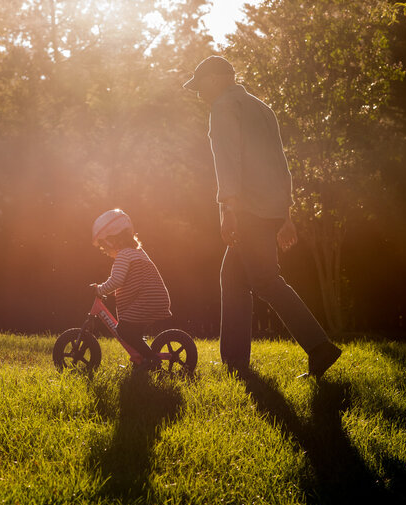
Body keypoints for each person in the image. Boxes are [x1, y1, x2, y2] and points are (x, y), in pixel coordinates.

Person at [183, 55, 342, 378]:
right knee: (233, 280)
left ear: (214, 78)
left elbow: (228, 162)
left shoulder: (224, 108)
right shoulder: (261, 108)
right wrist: (285, 214)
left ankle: (319, 346)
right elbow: (280, 164)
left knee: (266, 281)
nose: (198, 93)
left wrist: (229, 209)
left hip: (247, 209)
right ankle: (235, 363)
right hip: (269, 209)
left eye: (199, 85)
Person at [90, 209, 172, 369]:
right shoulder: (138, 252)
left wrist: (99, 290)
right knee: (134, 333)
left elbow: (116, 280)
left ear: (113, 241)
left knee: (124, 329)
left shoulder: (124, 255)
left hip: (147, 300)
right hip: (155, 298)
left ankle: (151, 360)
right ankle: (141, 359)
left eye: (104, 247)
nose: (105, 251)